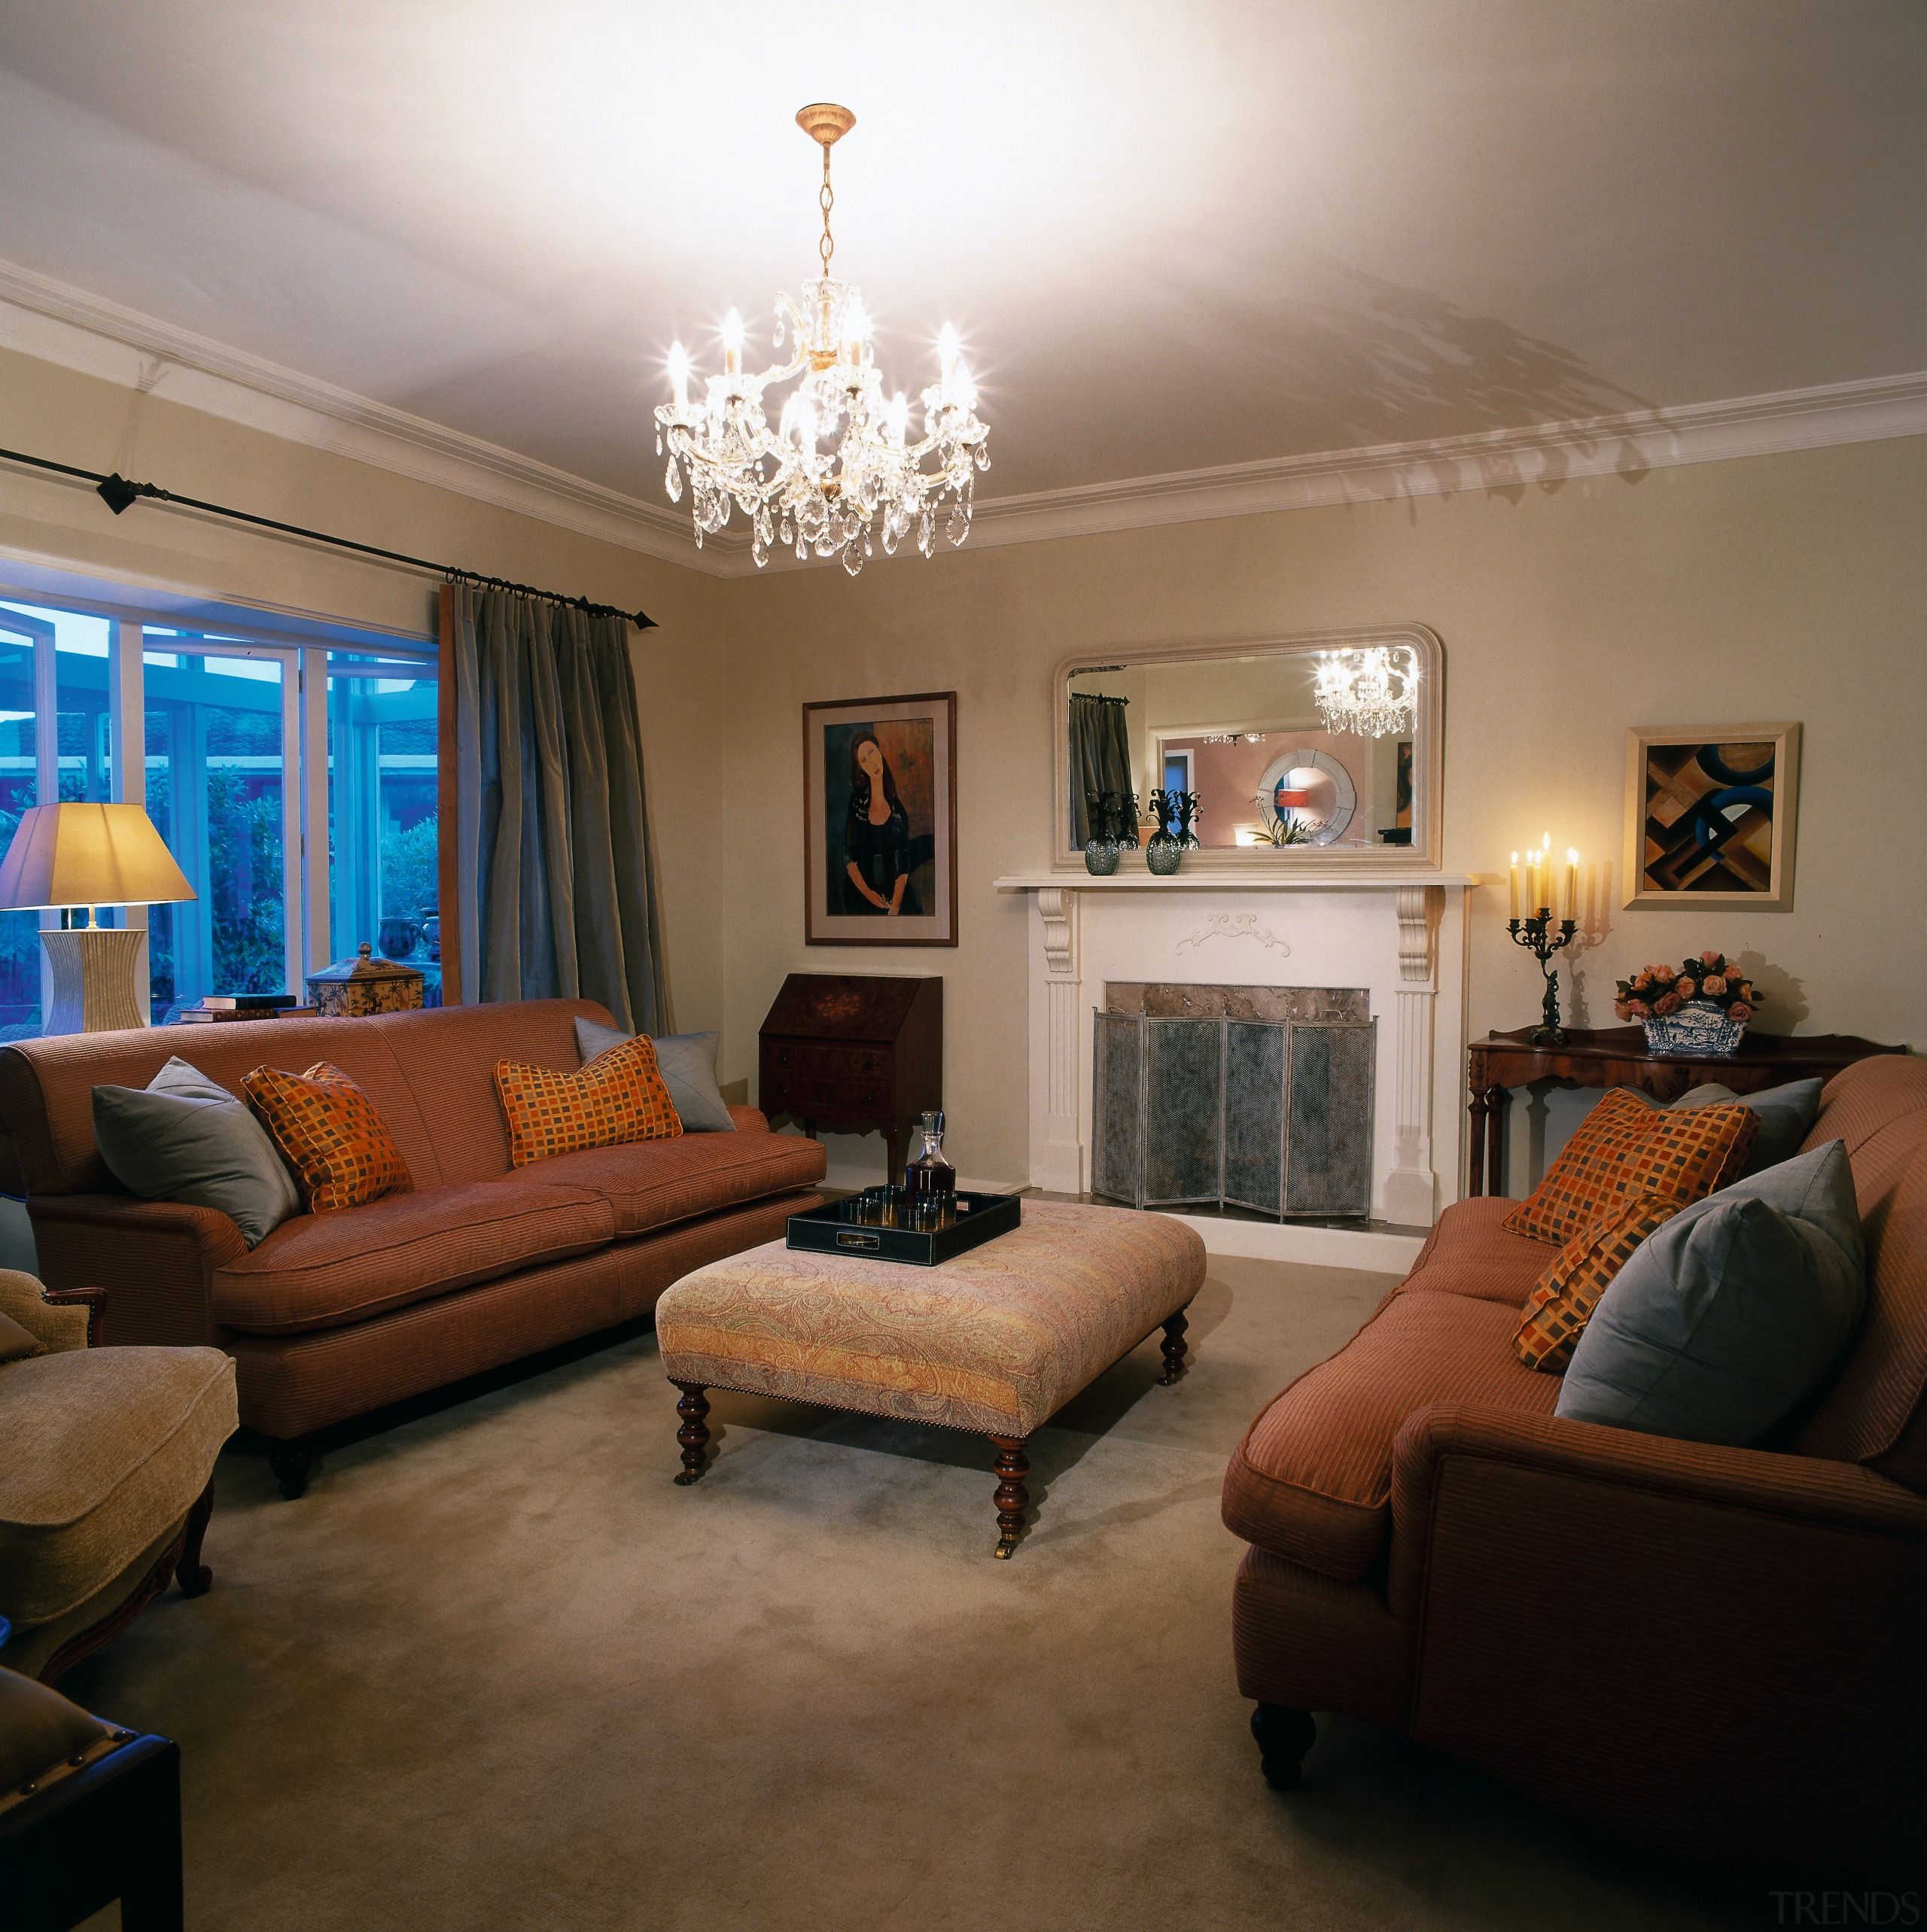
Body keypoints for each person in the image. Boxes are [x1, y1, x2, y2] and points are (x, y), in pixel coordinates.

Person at [842, 733, 921, 916]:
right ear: (860, 767)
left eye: (872, 753)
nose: (872, 762)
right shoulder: (857, 804)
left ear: (880, 751)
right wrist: (870, 895)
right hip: (860, 894)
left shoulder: (897, 810)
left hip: (892, 896)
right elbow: (849, 859)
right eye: (864, 760)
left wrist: (895, 908)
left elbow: (904, 865)